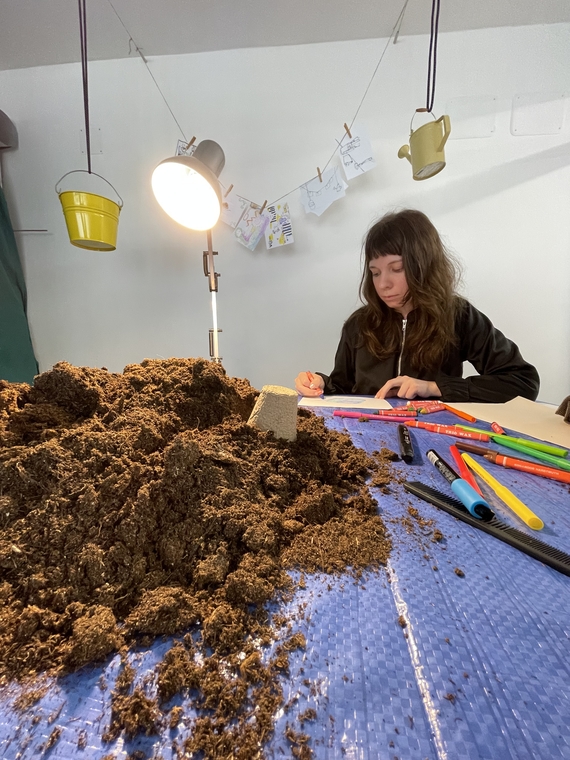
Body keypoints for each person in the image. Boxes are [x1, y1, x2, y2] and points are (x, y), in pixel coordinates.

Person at [295, 209, 539, 403]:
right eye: (375, 272)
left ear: (423, 265)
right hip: (365, 437)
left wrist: (434, 388)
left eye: (396, 269)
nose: (383, 284)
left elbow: (523, 382)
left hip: (432, 436)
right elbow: (343, 388)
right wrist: (320, 383)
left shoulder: (459, 316)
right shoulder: (358, 325)